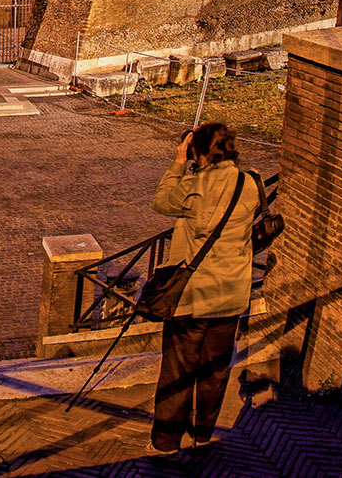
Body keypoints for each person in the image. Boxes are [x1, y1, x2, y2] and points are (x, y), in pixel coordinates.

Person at [149, 121, 259, 454]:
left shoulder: (193, 188)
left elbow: (161, 200)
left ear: (200, 152)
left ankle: (167, 440)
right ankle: (202, 433)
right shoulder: (251, 185)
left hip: (193, 297)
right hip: (231, 298)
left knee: (177, 370)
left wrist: (179, 160)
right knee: (215, 372)